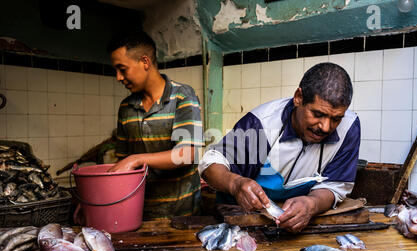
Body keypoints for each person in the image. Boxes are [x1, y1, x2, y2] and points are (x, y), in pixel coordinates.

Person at [199, 62, 360, 233]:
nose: (326, 127)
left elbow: (335, 185)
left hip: (297, 227)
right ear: (298, 97)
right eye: (318, 114)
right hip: (239, 223)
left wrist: (311, 204)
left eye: (336, 119)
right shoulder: (263, 123)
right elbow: (211, 163)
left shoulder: (349, 127)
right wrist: (235, 184)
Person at [107, 32, 203, 218]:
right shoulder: (126, 107)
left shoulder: (182, 96)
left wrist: (135, 159)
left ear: (145, 62)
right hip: (140, 212)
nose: (118, 77)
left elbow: (186, 154)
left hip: (182, 215)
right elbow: (122, 163)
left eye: (122, 69)